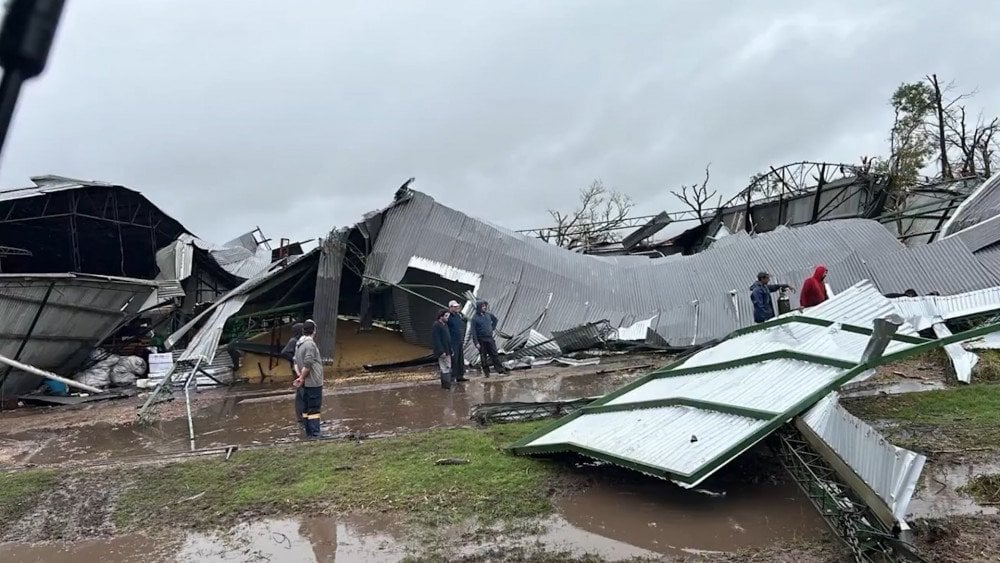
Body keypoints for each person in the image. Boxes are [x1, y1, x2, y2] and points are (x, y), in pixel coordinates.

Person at [292, 320, 323, 438]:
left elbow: (295, 361)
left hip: (304, 382)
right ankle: (315, 434)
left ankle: (309, 433)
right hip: (313, 381)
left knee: (306, 408)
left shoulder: (298, 343)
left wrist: (299, 375)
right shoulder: (310, 344)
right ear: (314, 330)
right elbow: (308, 363)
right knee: (314, 407)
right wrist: (303, 377)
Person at [471, 300, 508, 376]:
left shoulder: (488, 315)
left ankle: (500, 370)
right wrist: (476, 342)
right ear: (479, 307)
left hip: (489, 338)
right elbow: (473, 331)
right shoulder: (474, 318)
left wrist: (492, 328)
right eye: (483, 306)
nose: (484, 307)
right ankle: (486, 372)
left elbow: (495, 320)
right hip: (481, 339)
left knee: (494, 354)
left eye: (485, 306)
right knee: (483, 356)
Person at [282, 323, 305, 433]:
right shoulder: (293, 341)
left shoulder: (299, 341)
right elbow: (285, 352)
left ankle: (302, 417)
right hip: (297, 370)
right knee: (301, 392)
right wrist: (294, 360)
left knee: (301, 392)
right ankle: (301, 417)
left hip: (299, 368)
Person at [446, 300, 469, 382]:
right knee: (454, 359)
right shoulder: (448, 317)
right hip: (452, 341)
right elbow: (446, 329)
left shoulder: (458, 315)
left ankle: (460, 376)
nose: (456, 308)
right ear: (450, 307)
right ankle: (452, 377)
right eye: (455, 307)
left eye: (457, 307)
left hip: (459, 340)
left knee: (460, 359)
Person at [432, 309, 454, 389]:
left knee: (448, 367)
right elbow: (436, 339)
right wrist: (441, 351)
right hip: (442, 351)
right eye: (446, 316)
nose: (447, 318)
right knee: (444, 368)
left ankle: (447, 384)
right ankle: (446, 385)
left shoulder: (445, 325)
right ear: (441, 317)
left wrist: (451, 349)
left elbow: (448, 339)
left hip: (448, 350)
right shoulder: (436, 325)